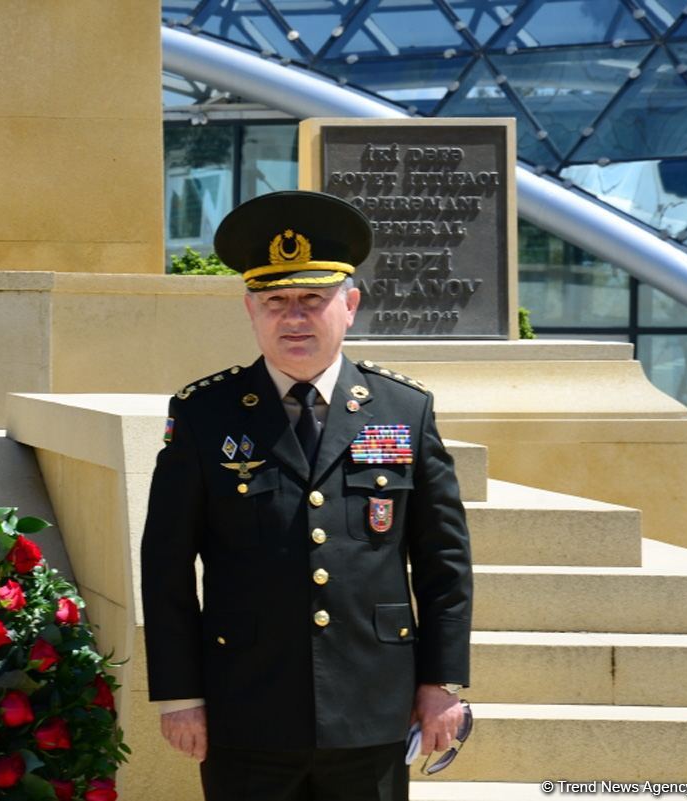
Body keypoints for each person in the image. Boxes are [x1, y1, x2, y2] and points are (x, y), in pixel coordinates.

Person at [140, 190, 473, 801]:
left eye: (312, 300)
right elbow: (166, 564)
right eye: (275, 301)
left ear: (350, 305)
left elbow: (443, 561)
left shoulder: (404, 409)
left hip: (373, 704)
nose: (293, 318)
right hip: (246, 707)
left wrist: (442, 683)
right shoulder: (204, 414)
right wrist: (180, 694)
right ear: (251, 309)